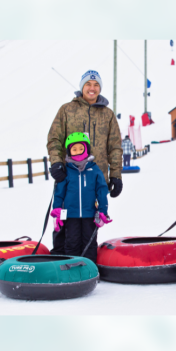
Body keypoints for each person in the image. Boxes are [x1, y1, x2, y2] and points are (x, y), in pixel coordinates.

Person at [46, 70, 124, 253]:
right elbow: (54, 139)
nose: (92, 88)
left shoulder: (108, 115)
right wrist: (56, 162)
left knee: (89, 227)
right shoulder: (66, 110)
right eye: (88, 84)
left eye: (96, 85)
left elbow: (115, 147)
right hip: (69, 180)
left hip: (95, 181)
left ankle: (86, 265)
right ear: (82, 87)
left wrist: (116, 175)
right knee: (63, 223)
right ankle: (59, 261)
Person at [51, 133, 112, 261]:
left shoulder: (94, 170)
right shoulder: (66, 171)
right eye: (74, 149)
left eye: (81, 148)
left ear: (87, 149)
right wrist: (57, 210)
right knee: (72, 242)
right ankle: (71, 270)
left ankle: (89, 270)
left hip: (89, 215)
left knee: (89, 242)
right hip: (71, 215)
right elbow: (59, 192)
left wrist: (103, 210)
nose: (78, 152)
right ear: (69, 151)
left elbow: (101, 190)